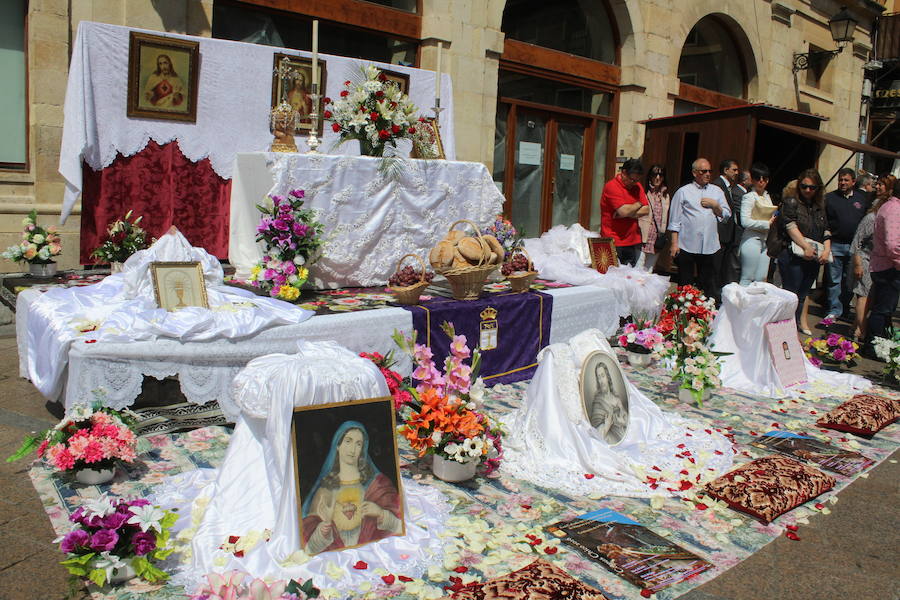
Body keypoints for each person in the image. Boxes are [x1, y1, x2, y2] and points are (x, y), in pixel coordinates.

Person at [302, 422, 402, 555]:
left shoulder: (377, 485)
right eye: (348, 441)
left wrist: (381, 513)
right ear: (338, 445)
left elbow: (400, 528)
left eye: (358, 444)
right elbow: (309, 548)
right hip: (336, 559)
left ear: (363, 449)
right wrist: (322, 530)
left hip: (373, 553)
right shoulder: (325, 491)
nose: (353, 449)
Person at [667, 158, 731, 298]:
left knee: (709, 283)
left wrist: (715, 206)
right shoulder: (683, 192)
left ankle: (707, 312)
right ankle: (683, 312)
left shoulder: (717, 191)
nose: (708, 174)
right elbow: (674, 221)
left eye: (709, 171)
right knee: (685, 283)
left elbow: (726, 215)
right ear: (695, 173)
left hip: (710, 245)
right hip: (687, 244)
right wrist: (674, 243)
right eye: (704, 171)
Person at [778, 169, 832, 328]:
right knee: (790, 296)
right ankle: (782, 332)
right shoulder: (791, 202)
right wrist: (805, 246)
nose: (807, 190)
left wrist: (827, 250)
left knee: (802, 295)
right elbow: (790, 225)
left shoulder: (819, 205)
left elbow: (826, 229)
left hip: (813, 256)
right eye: (804, 186)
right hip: (793, 255)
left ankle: (793, 330)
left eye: (812, 187)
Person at [849, 174, 895, 340]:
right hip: (865, 259)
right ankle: (861, 331)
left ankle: (856, 327)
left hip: (877, 261)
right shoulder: (871, 218)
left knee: (870, 297)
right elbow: (857, 242)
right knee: (863, 295)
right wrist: (858, 264)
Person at [824, 168, 871, 322]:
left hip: (855, 247)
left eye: (846, 180)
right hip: (835, 244)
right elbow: (824, 221)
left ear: (853, 182)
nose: (842, 183)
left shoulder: (862, 198)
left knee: (849, 281)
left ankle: (844, 309)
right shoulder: (829, 198)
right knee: (834, 280)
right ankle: (834, 311)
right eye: (840, 180)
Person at [862, 178, 900, 355]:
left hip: (886, 266)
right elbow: (893, 244)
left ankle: (881, 347)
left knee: (885, 310)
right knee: (882, 309)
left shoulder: (891, 206)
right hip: (889, 267)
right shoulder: (894, 209)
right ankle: (873, 348)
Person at [600, 159, 650, 267]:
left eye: (637, 180)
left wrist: (626, 213)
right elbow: (623, 211)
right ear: (623, 173)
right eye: (632, 180)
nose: (634, 183)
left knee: (628, 276)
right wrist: (638, 203)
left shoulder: (637, 186)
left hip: (631, 240)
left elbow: (647, 210)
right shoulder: (612, 186)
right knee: (612, 277)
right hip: (613, 240)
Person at [739, 163, 776, 286]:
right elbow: (744, 221)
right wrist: (766, 223)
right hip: (751, 238)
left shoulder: (767, 197)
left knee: (761, 279)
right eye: (757, 178)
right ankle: (741, 304)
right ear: (752, 180)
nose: (761, 181)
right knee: (747, 277)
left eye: (764, 178)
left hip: (765, 240)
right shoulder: (748, 197)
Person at [712, 159, 743, 290]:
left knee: (722, 266)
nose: (737, 173)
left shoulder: (730, 187)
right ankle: (712, 293)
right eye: (734, 170)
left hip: (728, 235)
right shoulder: (717, 185)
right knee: (715, 266)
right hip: (719, 233)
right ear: (725, 170)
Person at [636, 165, 670, 272]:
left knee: (649, 271)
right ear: (650, 176)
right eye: (655, 174)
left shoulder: (665, 196)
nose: (658, 178)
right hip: (642, 237)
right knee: (638, 269)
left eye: (661, 175)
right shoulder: (643, 193)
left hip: (656, 239)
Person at [588, 361, 628, 445]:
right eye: (598, 377)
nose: (601, 380)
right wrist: (606, 426)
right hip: (608, 438)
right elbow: (595, 431)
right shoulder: (598, 402)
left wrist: (622, 422)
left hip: (622, 436)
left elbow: (626, 420)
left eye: (603, 376)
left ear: (607, 377)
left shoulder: (617, 399)